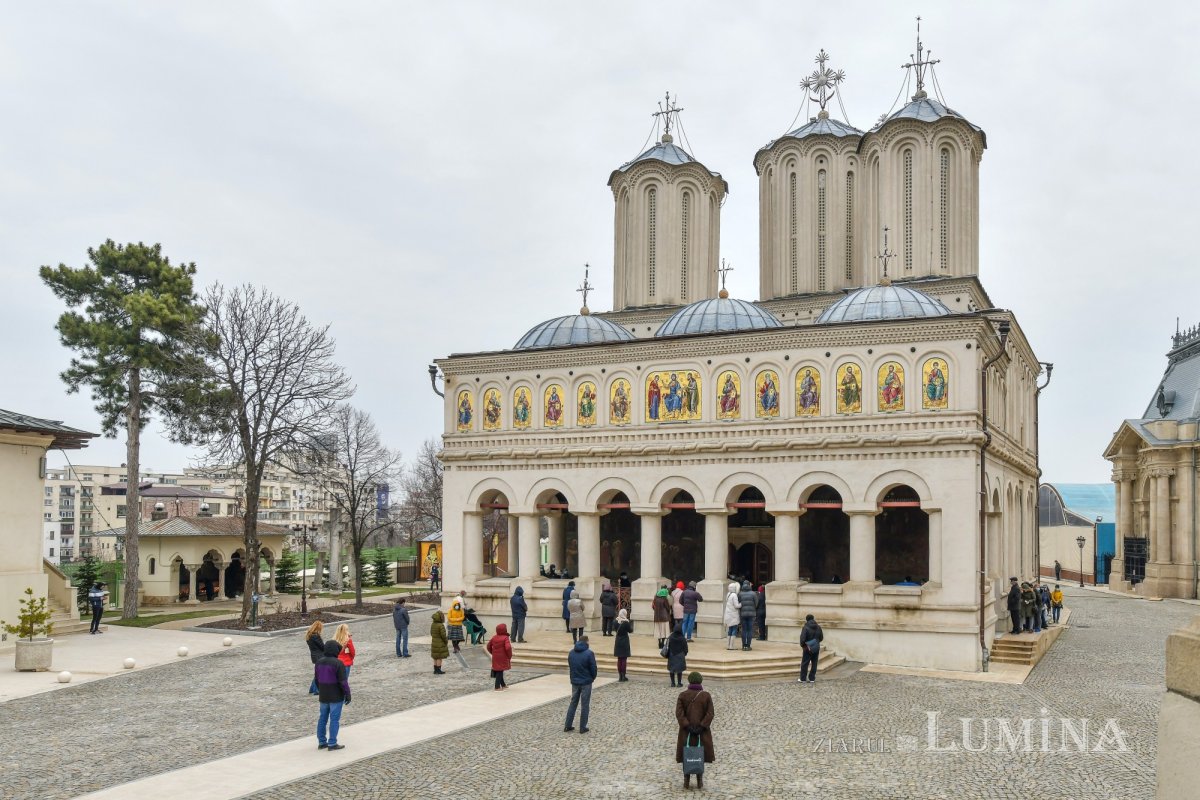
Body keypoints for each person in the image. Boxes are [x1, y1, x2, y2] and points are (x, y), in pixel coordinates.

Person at [675, 671, 715, 790]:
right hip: (702, 732)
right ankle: (699, 780)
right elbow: (710, 713)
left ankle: (686, 780)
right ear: (700, 681)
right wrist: (702, 726)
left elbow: (679, 714)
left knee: (687, 754)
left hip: (686, 732)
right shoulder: (706, 696)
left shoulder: (682, 695)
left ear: (690, 681)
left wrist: (687, 726)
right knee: (699, 755)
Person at [314, 640, 351, 751]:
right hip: (335, 695)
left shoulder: (319, 662)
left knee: (322, 718)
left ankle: (321, 742)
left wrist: (320, 690)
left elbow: (316, 680)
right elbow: (343, 681)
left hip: (324, 695)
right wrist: (347, 693)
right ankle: (332, 743)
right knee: (334, 720)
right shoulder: (338, 663)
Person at [564, 635, 597, 733]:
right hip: (586, 681)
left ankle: (568, 725)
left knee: (573, 702)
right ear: (587, 642)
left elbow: (570, 665)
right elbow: (593, 668)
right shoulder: (589, 653)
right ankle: (583, 727)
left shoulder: (571, 652)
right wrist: (592, 677)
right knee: (585, 704)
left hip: (575, 681)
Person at [486, 622, 513, 690]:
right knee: (500, 671)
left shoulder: (494, 637)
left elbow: (488, 646)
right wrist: (509, 655)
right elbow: (508, 648)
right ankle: (497, 687)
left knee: (499, 670)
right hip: (503, 657)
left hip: (495, 657)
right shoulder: (505, 638)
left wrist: (492, 653)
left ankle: (503, 685)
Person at [798, 614, 823, 684]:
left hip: (807, 648)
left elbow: (802, 639)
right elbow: (821, 638)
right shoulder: (818, 627)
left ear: (807, 619)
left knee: (805, 663)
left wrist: (803, 645)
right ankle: (812, 678)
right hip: (816, 647)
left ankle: (803, 679)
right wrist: (816, 642)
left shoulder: (805, 627)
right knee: (814, 663)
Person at [305, 620, 325, 694]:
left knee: (317, 673)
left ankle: (312, 689)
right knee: (319, 674)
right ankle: (316, 690)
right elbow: (322, 646)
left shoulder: (309, 635)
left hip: (314, 656)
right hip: (319, 656)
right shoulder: (316, 636)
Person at [737, 581, 758, 651]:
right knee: (750, 630)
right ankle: (748, 645)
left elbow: (738, 603)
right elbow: (756, 604)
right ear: (749, 585)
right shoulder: (753, 594)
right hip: (751, 614)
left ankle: (743, 645)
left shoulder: (740, 594)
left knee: (744, 630)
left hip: (743, 614)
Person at [613, 608, 632, 682]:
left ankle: (620, 676)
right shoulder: (626, 622)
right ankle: (623, 675)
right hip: (624, 641)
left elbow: (614, 628)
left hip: (618, 641)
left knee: (619, 659)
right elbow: (630, 630)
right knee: (624, 659)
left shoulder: (615, 621)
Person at [722, 582, 740, 650]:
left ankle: (728, 645)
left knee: (730, 629)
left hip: (728, 614)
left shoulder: (728, 594)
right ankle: (731, 646)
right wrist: (741, 604)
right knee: (734, 630)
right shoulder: (734, 595)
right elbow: (736, 605)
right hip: (733, 615)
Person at [430, 610, 449, 674]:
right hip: (440, 643)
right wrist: (446, 641)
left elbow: (431, 633)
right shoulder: (441, 625)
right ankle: (438, 670)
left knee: (435, 656)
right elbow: (443, 635)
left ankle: (435, 670)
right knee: (439, 657)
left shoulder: (433, 624)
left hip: (434, 642)